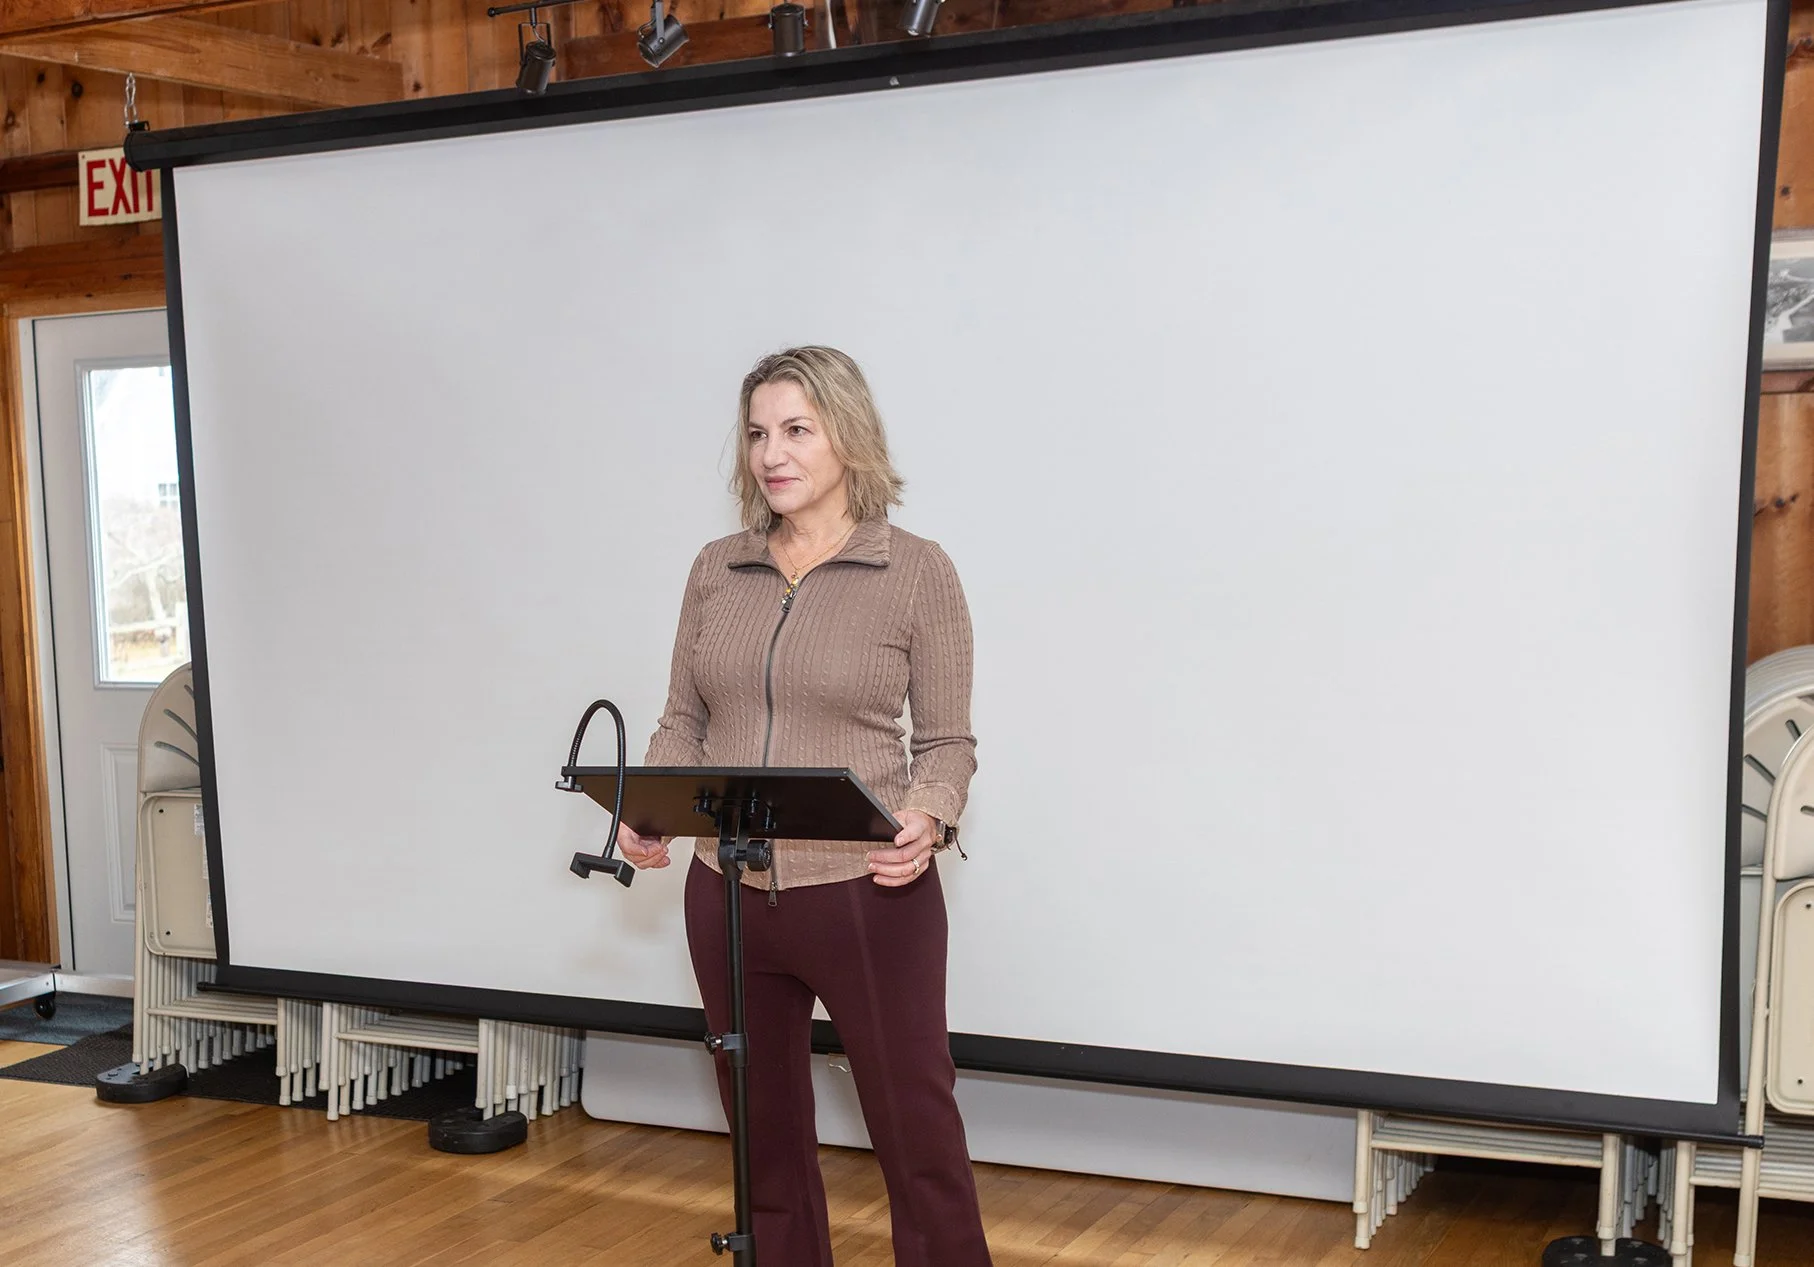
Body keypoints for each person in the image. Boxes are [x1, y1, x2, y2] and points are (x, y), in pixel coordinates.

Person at [616, 346, 992, 1266]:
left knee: (916, 1134)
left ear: (848, 437)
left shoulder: (916, 570)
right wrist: (651, 805)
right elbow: (683, 719)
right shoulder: (718, 569)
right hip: (726, 891)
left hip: (868, 890)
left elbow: (948, 742)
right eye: (756, 434)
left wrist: (930, 814)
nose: (770, 454)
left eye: (796, 430)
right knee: (763, 1140)